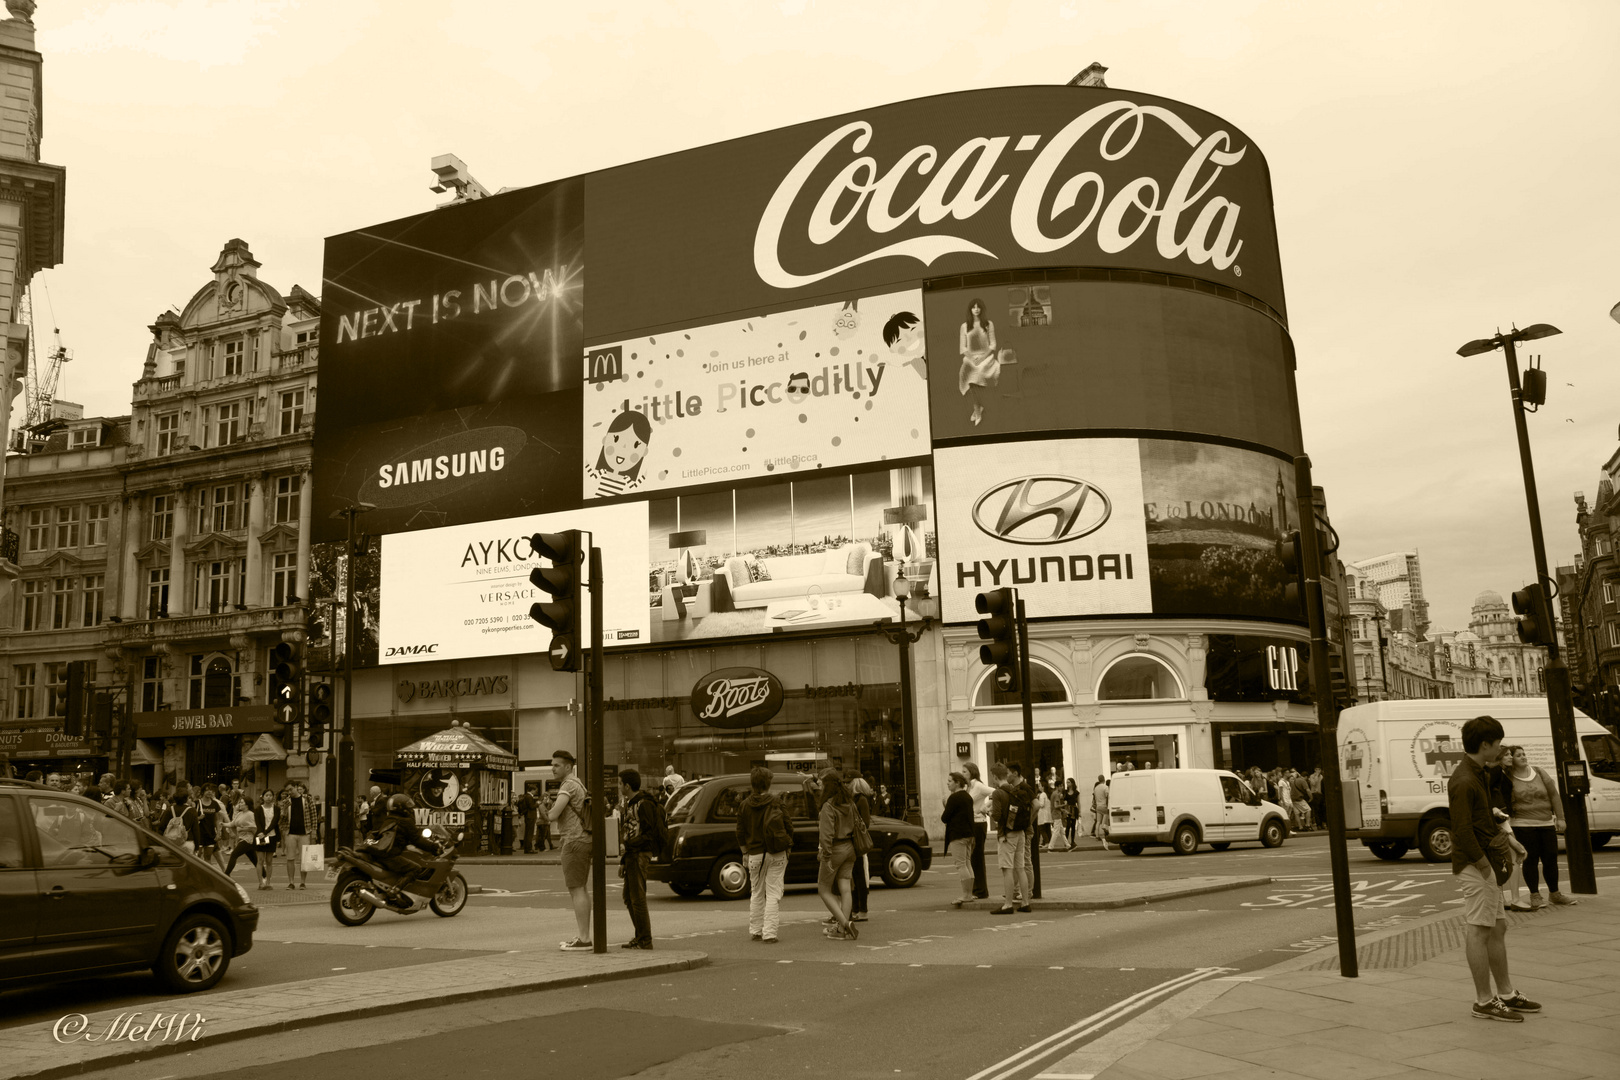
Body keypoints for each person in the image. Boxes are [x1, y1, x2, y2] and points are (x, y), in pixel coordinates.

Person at [1450, 715, 1540, 1021]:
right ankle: (1484, 1001)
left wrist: (1509, 840)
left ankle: (1506, 993)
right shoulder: (1464, 780)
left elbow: (1484, 818)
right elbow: (1462, 830)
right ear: (1485, 744)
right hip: (1476, 863)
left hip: (1486, 858)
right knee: (1479, 929)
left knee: (1498, 926)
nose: (1502, 749)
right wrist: (1484, 866)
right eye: (1498, 743)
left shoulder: (1480, 774)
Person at [1504, 745, 1574, 909]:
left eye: (1524, 754)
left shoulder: (1539, 772)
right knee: (1531, 859)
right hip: (1523, 825)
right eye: (1518, 755)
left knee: (1550, 858)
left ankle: (1555, 893)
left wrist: (1561, 818)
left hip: (1546, 823)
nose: (1523, 757)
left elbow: (1554, 795)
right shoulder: (1507, 777)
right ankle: (1534, 895)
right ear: (1511, 759)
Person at [736, 766, 790, 943]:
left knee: (756, 892)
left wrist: (745, 852)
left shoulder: (744, 805)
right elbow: (789, 826)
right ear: (768, 783)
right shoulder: (777, 802)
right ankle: (770, 933)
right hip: (776, 852)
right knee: (773, 894)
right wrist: (788, 847)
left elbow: (740, 831)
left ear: (752, 784)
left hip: (754, 855)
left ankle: (756, 930)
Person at [549, 750, 594, 951]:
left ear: (568, 767)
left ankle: (584, 938)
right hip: (583, 839)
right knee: (581, 888)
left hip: (574, 840)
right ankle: (584, 936)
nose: (553, 768)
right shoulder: (579, 783)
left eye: (557, 765)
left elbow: (554, 814)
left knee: (576, 889)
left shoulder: (568, 785)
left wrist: (546, 810)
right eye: (553, 764)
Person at [616, 769, 661, 949]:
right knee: (629, 896)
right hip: (632, 854)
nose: (618, 787)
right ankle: (640, 937)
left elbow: (648, 834)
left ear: (627, 786)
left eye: (619, 783)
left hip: (639, 854)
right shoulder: (632, 803)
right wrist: (623, 860)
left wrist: (629, 847)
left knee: (637, 898)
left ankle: (644, 939)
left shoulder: (643, 804)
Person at [816, 771, 857, 940]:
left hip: (835, 849)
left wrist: (825, 857)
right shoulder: (849, 803)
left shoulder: (828, 806)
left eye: (822, 784)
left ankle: (844, 924)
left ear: (828, 787)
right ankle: (841, 929)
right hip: (850, 847)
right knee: (845, 888)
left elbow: (826, 835)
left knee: (823, 889)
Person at [989, 762, 1031, 915]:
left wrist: (990, 813)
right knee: (1020, 868)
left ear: (995, 776)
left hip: (1007, 834)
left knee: (1007, 869)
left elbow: (998, 816)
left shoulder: (998, 793)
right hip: (1020, 832)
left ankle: (1007, 904)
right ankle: (1025, 902)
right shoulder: (1015, 789)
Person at [957, 297, 998, 426]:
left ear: (982, 309)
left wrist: (981, 358)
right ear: (970, 309)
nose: (976, 309)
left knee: (978, 373)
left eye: (978, 307)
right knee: (965, 374)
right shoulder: (964, 326)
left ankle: (977, 410)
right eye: (973, 307)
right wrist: (971, 358)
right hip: (970, 358)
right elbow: (963, 348)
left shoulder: (988, 324)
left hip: (986, 358)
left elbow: (993, 345)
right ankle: (977, 407)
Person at [941, 772, 976, 908]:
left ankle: (966, 895)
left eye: (950, 781)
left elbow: (945, 817)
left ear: (957, 783)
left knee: (961, 864)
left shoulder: (954, 798)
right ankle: (969, 892)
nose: (948, 783)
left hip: (957, 835)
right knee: (967, 863)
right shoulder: (967, 796)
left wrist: (945, 803)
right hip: (968, 834)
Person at [963, 762, 993, 899]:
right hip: (971, 823)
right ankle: (977, 889)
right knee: (972, 858)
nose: (962, 774)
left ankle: (981, 890)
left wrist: (986, 807)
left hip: (979, 823)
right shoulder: (968, 787)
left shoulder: (978, 786)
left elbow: (996, 792)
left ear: (972, 773)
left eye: (965, 772)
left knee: (977, 857)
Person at [281, 781, 316, 889]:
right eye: (287, 791)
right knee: (290, 858)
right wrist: (285, 809)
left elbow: (313, 815)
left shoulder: (307, 799)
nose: (289, 792)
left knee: (304, 859)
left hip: (305, 833)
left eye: (291, 789)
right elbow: (282, 819)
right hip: (290, 833)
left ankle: (302, 882)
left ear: (296, 787)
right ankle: (291, 882)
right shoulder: (286, 801)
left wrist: (313, 832)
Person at [848, 775, 873, 923]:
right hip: (853, 842)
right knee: (855, 877)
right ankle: (856, 908)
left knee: (860, 877)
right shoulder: (856, 800)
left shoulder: (861, 800)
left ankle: (862, 909)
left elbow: (866, 822)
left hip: (858, 843)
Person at [253, 789, 281, 890]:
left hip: (272, 836)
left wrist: (265, 832)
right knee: (260, 860)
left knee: (269, 860)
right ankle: (261, 882)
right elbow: (257, 822)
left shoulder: (276, 809)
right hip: (260, 836)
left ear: (273, 797)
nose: (268, 797)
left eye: (270, 795)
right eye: (266, 795)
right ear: (263, 797)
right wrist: (261, 833)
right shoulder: (258, 809)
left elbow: (274, 822)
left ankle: (268, 882)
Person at [224, 797, 260, 877]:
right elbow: (232, 824)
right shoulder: (240, 814)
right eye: (239, 802)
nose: (239, 804)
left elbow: (254, 828)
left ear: (247, 804)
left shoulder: (250, 814)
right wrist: (223, 824)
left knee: (234, 854)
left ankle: (226, 874)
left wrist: (242, 828)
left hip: (248, 839)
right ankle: (264, 875)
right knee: (254, 860)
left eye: (241, 802)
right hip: (241, 839)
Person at [196, 784, 225, 868]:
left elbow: (217, 819)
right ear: (203, 791)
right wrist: (199, 818)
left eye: (211, 791)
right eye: (207, 790)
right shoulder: (197, 803)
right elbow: (192, 819)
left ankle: (207, 876)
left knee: (208, 857)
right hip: (199, 834)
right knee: (198, 856)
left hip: (210, 834)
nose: (209, 792)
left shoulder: (215, 804)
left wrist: (218, 832)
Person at [517, 786, 540, 854]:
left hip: (528, 816)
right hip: (530, 816)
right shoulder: (529, 797)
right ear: (532, 790)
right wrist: (537, 804)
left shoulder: (525, 796)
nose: (536, 792)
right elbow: (531, 806)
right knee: (529, 833)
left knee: (527, 833)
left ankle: (527, 848)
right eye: (535, 790)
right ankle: (528, 849)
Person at [1090, 774, 1110, 843]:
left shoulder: (1096, 788)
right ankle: (1104, 830)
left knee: (1098, 822)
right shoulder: (1105, 787)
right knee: (1105, 820)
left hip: (1098, 807)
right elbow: (1107, 796)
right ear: (1104, 779)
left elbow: (1095, 798)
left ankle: (1097, 835)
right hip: (1104, 806)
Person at [1034, 782, 1052, 851]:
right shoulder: (1046, 794)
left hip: (1042, 814)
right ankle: (1048, 842)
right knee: (1047, 829)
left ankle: (1046, 842)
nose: (1039, 787)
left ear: (1043, 786)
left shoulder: (1042, 794)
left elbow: (1041, 804)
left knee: (1041, 828)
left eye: (1040, 785)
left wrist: (1036, 801)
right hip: (1047, 814)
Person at [1063, 778, 1081, 846]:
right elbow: (1064, 801)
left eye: (1069, 782)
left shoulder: (1076, 792)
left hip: (1074, 809)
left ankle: (1072, 841)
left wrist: (1079, 812)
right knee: (1068, 826)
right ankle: (1066, 841)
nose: (1067, 784)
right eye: (1067, 782)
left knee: (1073, 826)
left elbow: (1079, 803)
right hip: (1068, 810)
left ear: (1072, 783)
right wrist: (1065, 810)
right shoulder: (1065, 792)